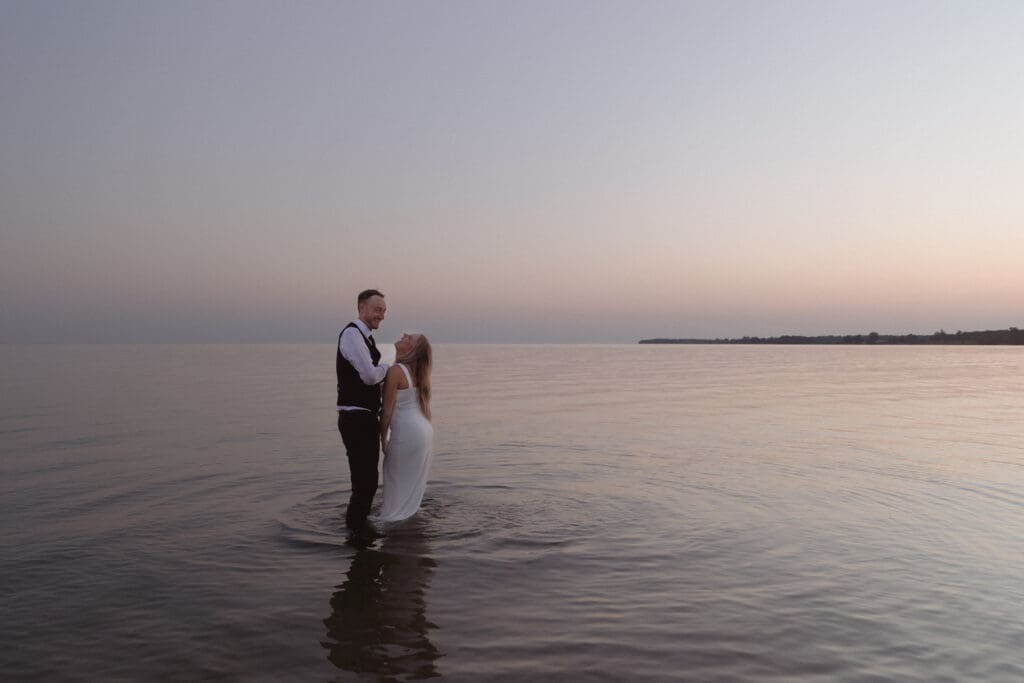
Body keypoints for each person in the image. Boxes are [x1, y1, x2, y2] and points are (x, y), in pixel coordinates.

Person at [336, 289, 389, 531]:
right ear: (361, 308)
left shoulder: (366, 338)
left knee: (367, 481)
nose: (381, 315)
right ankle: (356, 535)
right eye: (377, 309)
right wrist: (390, 369)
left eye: (384, 311)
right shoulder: (352, 334)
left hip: (363, 417)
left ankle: (359, 531)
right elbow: (369, 376)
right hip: (355, 418)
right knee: (364, 483)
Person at [376, 332, 434, 523]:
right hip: (423, 431)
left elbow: (386, 412)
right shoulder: (417, 373)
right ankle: (408, 516)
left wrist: (382, 439)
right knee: (409, 483)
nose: (404, 335)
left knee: (394, 478)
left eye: (409, 338)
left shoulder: (396, 371)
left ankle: (390, 520)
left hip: (407, 434)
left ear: (412, 350)